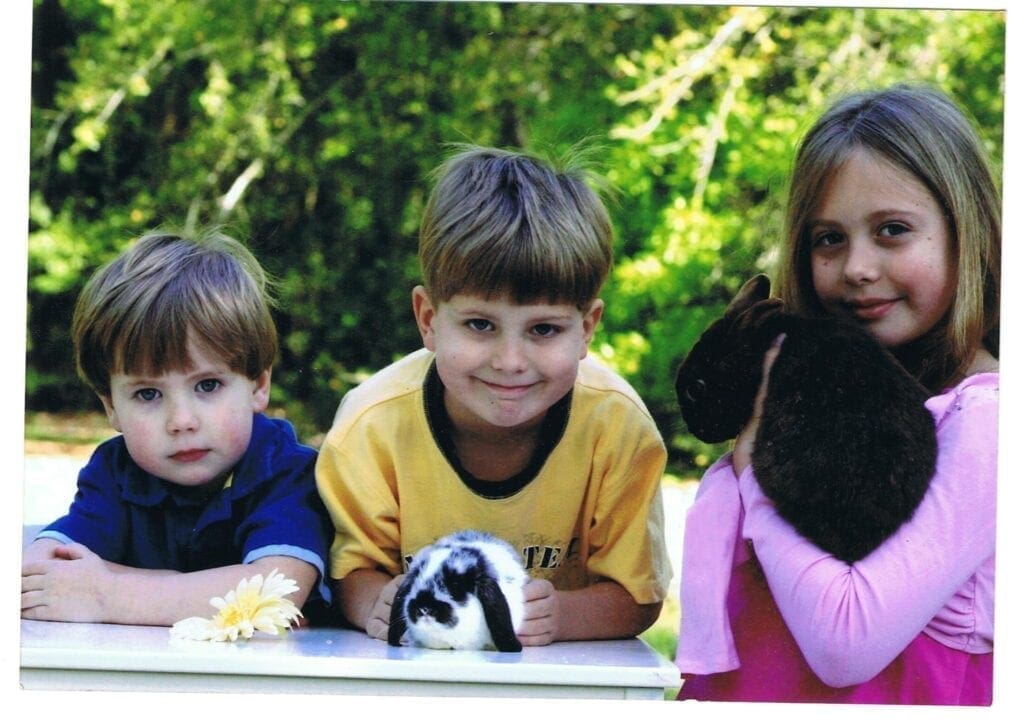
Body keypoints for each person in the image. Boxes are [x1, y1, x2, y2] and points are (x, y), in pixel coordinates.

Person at [674, 84, 1000, 705]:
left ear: (970, 233)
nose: (856, 267)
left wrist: (755, 474)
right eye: (829, 238)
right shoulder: (824, 391)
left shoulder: (988, 425)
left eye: (893, 231)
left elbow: (845, 642)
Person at [316, 145, 672, 646]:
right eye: (480, 324)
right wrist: (378, 604)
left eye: (544, 329)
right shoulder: (370, 426)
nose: (510, 361)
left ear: (587, 328)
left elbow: (637, 595)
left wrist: (562, 616)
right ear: (428, 319)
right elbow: (348, 574)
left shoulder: (618, 428)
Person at [21, 230, 334, 625]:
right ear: (111, 407)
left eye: (207, 385)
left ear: (258, 385)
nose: (181, 421)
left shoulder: (287, 472)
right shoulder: (116, 471)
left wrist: (106, 594)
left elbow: (275, 592)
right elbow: (43, 569)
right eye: (148, 394)